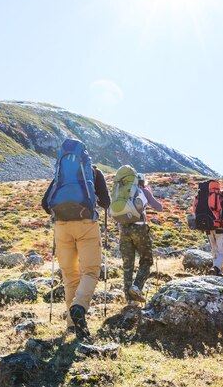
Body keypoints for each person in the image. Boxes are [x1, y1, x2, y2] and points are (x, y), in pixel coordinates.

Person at [41, 141, 110, 342]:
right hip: (86, 224)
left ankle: (73, 325)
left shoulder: (60, 175)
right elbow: (105, 202)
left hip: (62, 227)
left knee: (69, 275)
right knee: (90, 271)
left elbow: (45, 204)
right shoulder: (94, 172)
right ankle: (79, 306)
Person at [119, 173, 163, 305]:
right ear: (142, 182)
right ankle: (137, 287)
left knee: (128, 264)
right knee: (146, 261)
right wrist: (149, 194)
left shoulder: (122, 192)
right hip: (139, 229)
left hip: (124, 229)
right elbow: (159, 207)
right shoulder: (143, 191)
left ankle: (130, 300)